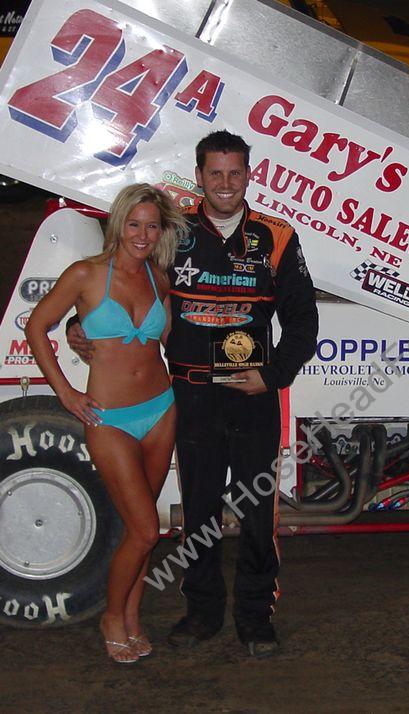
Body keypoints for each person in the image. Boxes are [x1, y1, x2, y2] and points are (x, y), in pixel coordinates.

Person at [68, 130, 319, 658]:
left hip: (253, 395)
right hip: (190, 395)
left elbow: (302, 319)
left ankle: (255, 617)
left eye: (235, 173)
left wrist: (273, 376)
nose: (225, 183)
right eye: (215, 173)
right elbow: (124, 278)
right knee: (198, 510)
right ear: (199, 175)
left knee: (257, 512)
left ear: (249, 174)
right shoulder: (172, 230)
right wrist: (81, 323)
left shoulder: (277, 236)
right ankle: (202, 611)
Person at [27, 184, 186, 663]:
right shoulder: (85, 274)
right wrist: (67, 393)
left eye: (152, 225)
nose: (142, 234)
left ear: (161, 232)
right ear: (118, 223)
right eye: (134, 224)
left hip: (161, 410)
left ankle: (132, 619)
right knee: (144, 531)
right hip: (109, 418)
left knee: (136, 531)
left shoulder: (160, 279)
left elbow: (168, 341)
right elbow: (37, 327)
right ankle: (111, 617)